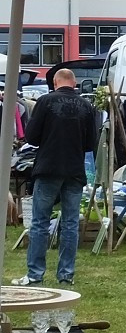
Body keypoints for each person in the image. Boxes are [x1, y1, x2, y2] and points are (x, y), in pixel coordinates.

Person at [13, 68, 98, 286]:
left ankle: (34, 274)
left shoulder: (45, 102)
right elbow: (90, 143)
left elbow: (31, 136)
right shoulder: (87, 106)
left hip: (49, 167)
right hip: (74, 170)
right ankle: (66, 275)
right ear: (74, 82)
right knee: (70, 224)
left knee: (40, 221)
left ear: (55, 83)